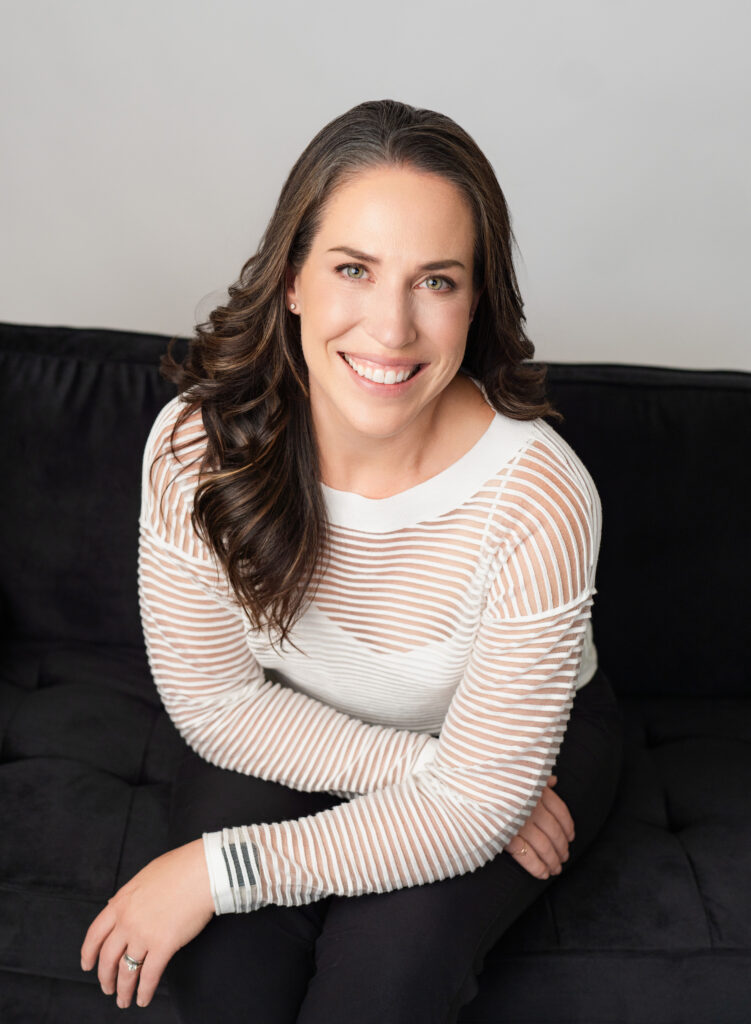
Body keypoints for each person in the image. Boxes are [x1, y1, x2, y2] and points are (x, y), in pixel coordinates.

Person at [80, 98, 624, 1022]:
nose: (392, 328)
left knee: (381, 987)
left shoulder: (541, 496)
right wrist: (435, 778)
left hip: (528, 746)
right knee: (227, 982)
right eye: (353, 269)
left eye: (436, 281)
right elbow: (215, 703)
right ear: (292, 278)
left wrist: (221, 869)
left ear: (475, 303)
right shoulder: (194, 448)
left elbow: (479, 797)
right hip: (281, 725)